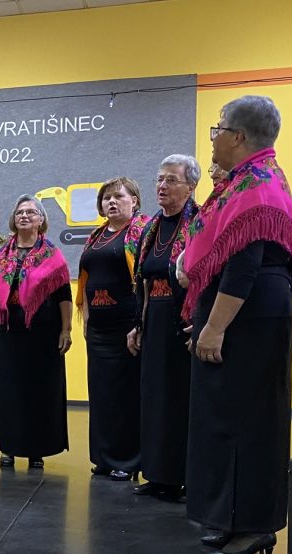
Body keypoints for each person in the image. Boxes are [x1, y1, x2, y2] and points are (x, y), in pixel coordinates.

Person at [180, 95, 292, 554]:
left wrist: (214, 328)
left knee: (250, 423)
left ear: (237, 137)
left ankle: (253, 526)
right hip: (242, 314)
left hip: (249, 319)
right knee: (225, 419)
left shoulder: (258, 186)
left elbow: (244, 265)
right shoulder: (246, 181)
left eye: (218, 130)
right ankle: (231, 518)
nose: (213, 138)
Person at [0, 195, 73, 469]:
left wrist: (66, 329)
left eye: (31, 212)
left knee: (39, 391)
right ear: (13, 219)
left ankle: (36, 450)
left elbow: (64, 295)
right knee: (7, 391)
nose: (25, 216)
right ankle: (8, 447)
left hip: (42, 335)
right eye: (20, 212)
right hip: (5, 334)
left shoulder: (53, 255)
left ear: (41, 220)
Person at [126, 157, 200, 501]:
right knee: (154, 399)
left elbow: (205, 276)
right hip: (154, 320)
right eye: (159, 179)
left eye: (171, 180)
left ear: (191, 187)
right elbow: (143, 280)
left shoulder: (199, 222)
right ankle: (157, 475)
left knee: (179, 400)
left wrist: (200, 323)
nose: (162, 186)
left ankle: (182, 477)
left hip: (183, 322)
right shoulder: (151, 227)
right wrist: (138, 325)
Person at [76, 178, 148, 480]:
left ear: (135, 201)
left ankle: (128, 461)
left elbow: (144, 280)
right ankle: (104, 457)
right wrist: (87, 318)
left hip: (126, 326)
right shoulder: (96, 236)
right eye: (106, 198)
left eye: (118, 196)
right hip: (99, 328)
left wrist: (139, 323)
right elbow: (86, 277)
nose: (111, 202)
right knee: (102, 394)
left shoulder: (142, 232)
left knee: (125, 396)